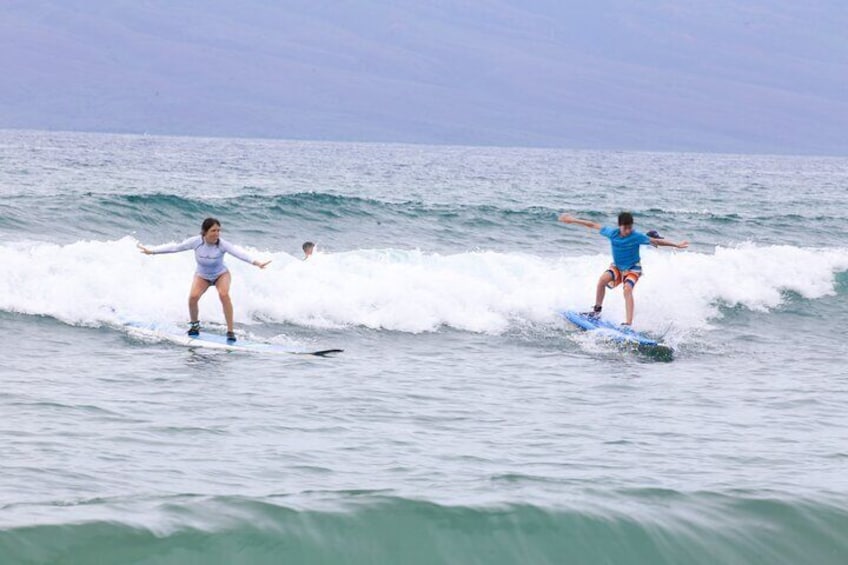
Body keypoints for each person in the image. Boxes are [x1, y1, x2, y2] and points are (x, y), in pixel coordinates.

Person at [137, 217, 271, 342]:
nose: (217, 233)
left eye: (219, 230)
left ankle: (230, 331)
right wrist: (152, 251)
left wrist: (256, 262)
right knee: (193, 297)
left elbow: (239, 254)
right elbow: (175, 248)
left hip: (221, 274)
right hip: (202, 275)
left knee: (224, 295)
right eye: (213, 230)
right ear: (204, 232)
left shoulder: (222, 244)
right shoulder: (196, 242)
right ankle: (195, 325)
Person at [558, 212, 688, 327]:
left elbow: (657, 242)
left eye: (630, 228)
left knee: (627, 289)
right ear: (619, 226)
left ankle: (628, 323)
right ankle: (596, 312)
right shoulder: (612, 233)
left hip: (633, 268)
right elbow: (592, 225)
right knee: (602, 280)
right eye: (625, 228)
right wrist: (573, 220)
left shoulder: (636, 236)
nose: (627, 231)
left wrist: (676, 244)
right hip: (617, 266)